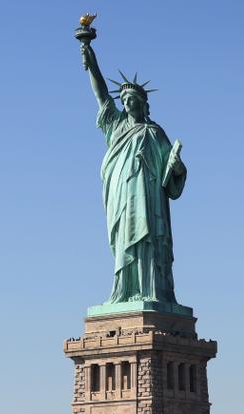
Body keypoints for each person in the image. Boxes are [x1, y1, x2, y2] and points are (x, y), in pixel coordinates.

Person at [79, 39, 186, 306]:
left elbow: (171, 173)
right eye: (124, 100)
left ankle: (152, 291)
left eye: (131, 100)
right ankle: (124, 291)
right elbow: (101, 94)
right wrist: (90, 60)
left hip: (148, 197)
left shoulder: (154, 132)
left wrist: (175, 166)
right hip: (122, 194)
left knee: (148, 236)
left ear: (142, 103)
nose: (126, 104)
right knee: (125, 237)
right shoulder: (115, 125)